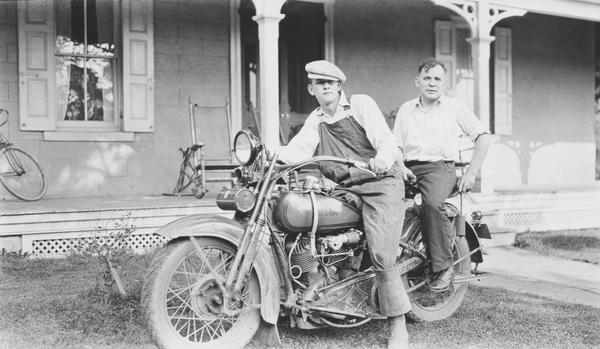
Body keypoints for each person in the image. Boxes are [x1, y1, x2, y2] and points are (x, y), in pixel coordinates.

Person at [278, 60, 410, 349]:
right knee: (312, 230)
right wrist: (268, 155)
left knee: (382, 253)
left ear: (339, 86)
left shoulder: (360, 105)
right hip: (347, 187)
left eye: (331, 82)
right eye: (319, 83)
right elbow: (297, 150)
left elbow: (385, 140)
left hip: (380, 183)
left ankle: (398, 325)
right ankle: (327, 287)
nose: (325, 87)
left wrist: (382, 160)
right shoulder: (316, 119)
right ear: (311, 88)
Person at [393, 57, 492, 292]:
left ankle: (443, 266)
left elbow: (483, 137)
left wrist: (471, 173)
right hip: (407, 168)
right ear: (417, 81)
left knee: (432, 204)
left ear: (444, 83)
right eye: (427, 78)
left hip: (440, 168)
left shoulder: (455, 108)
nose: (432, 83)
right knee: (380, 200)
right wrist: (401, 167)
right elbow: (395, 144)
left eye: (437, 79)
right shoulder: (406, 109)